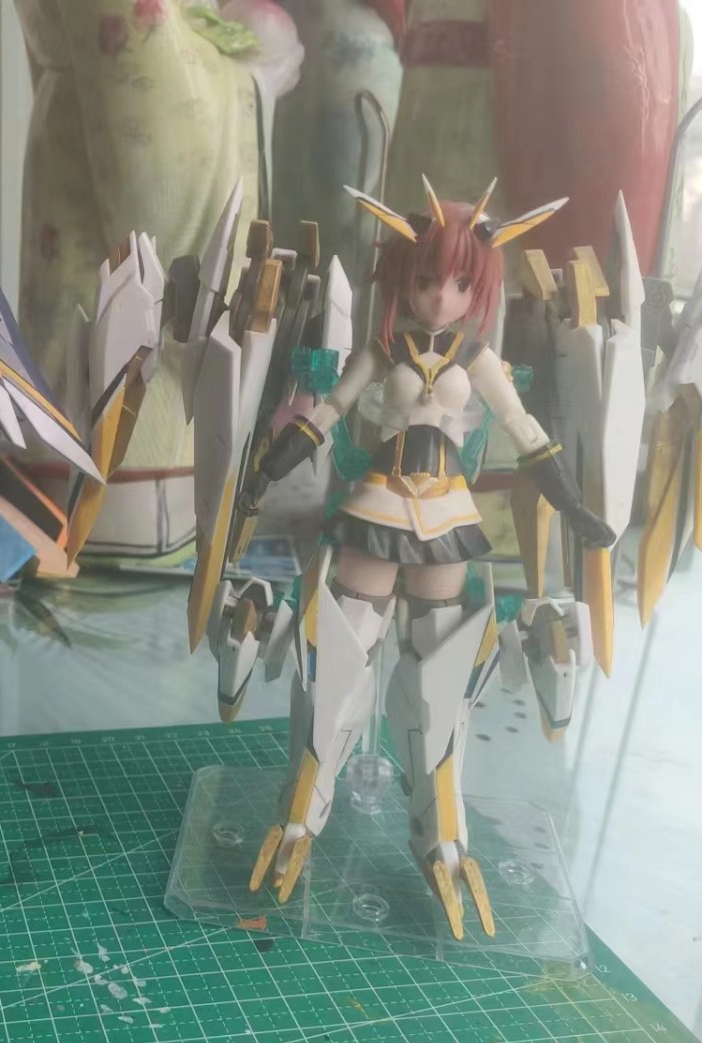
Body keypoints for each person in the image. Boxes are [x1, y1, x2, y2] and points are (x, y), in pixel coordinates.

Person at [247, 178, 614, 936]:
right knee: (337, 655)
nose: (441, 298)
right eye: (427, 280)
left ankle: (442, 834)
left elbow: (527, 432)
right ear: (402, 279)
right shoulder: (383, 350)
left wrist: (574, 507)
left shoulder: (477, 357)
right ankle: (301, 812)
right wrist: (264, 472)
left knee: (440, 674)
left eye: (459, 285)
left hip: (446, 513)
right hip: (379, 504)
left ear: (478, 291)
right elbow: (326, 414)